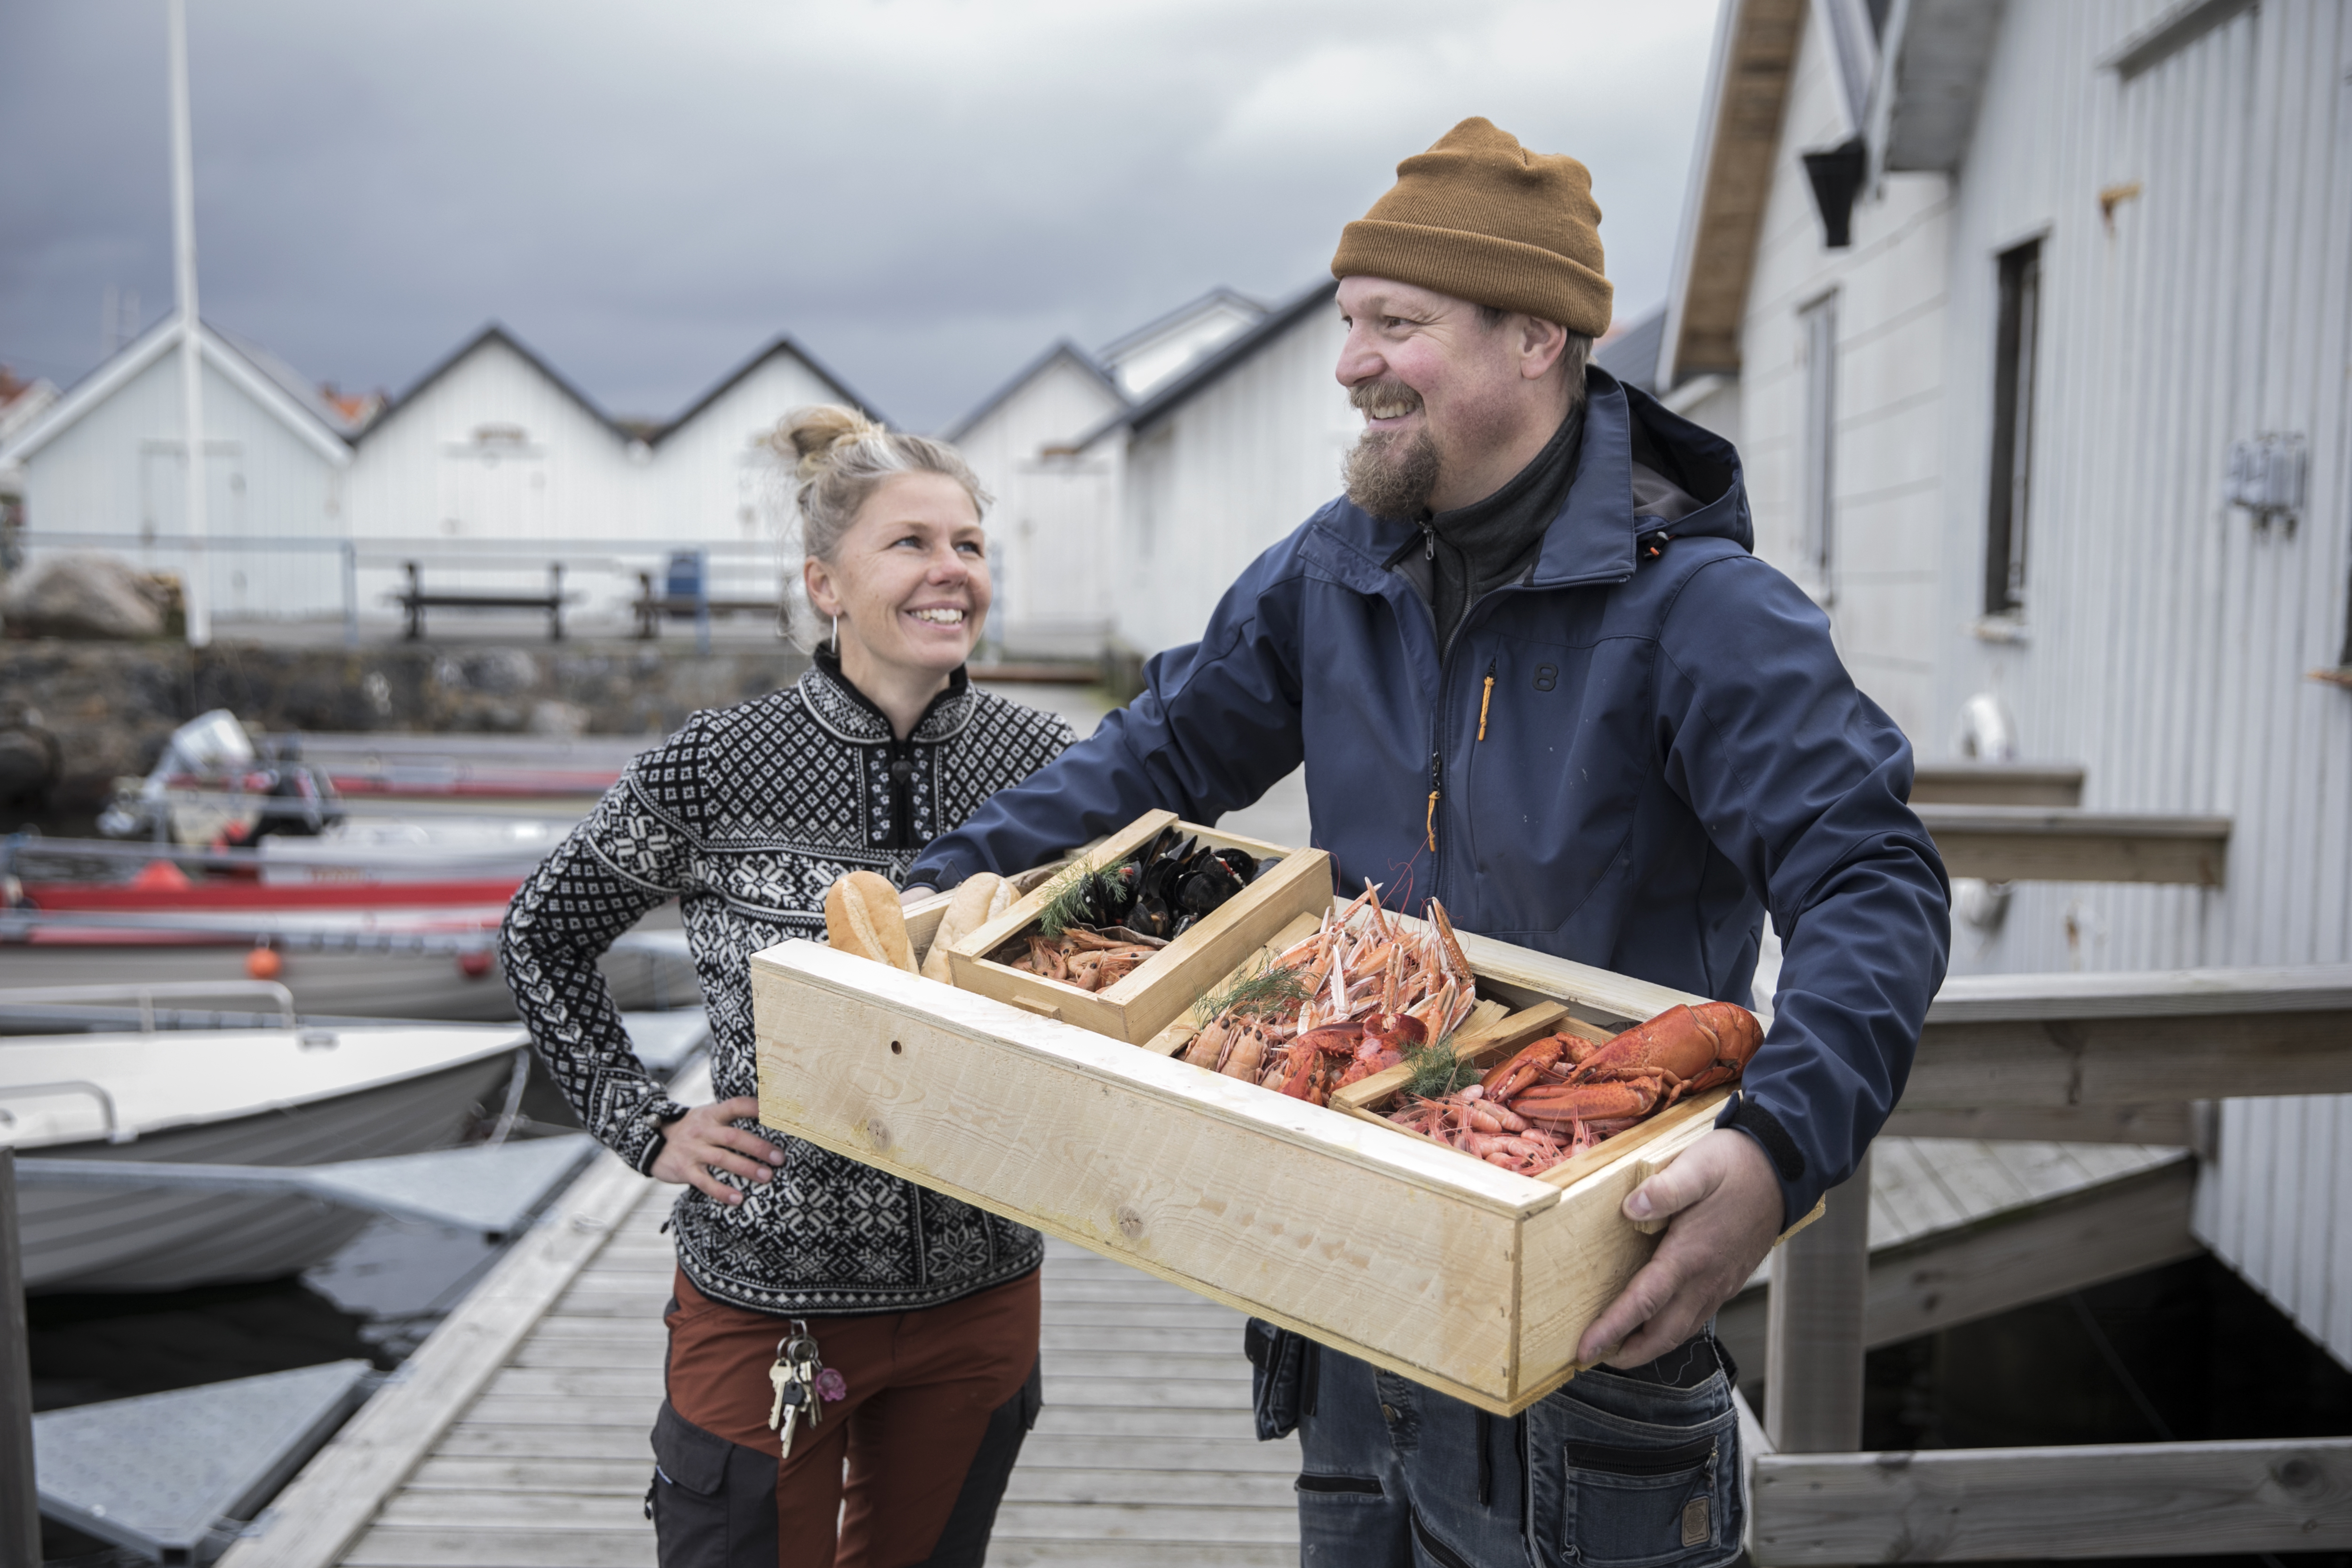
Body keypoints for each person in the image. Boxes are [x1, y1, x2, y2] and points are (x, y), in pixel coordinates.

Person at [903, 120, 1951, 1567]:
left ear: (1536, 336)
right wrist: (938, 885)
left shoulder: (1707, 610)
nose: (1352, 362)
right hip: (1349, 1289)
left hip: (1588, 1325)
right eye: (1350, 323)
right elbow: (1156, 755)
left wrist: (1778, 1147)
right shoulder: (1332, 566)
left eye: (1396, 323)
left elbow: (1871, 876)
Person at [501, 407, 1076, 1568]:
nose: (950, 569)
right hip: (767, 1292)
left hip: (980, 1285)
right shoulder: (712, 764)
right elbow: (541, 935)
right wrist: (645, 1123)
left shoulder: (1050, 764)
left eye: (968, 544)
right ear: (825, 582)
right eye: (910, 542)